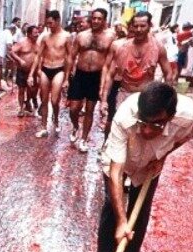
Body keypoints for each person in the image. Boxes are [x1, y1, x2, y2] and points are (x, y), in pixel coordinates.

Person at [90, 82, 193, 252]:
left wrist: (163, 156)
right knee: (112, 207)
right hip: (121, 158)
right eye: (143, 122)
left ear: (171, 117)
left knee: (142, 208)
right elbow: (116, 172)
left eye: (156, 124)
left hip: (150, 163)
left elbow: (185, 137)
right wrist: (122, 222)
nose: (147, 131)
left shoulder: (187, 117)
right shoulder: (124, 117)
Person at [100, 11, 173, 122]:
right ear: (132, 27)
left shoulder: (158, 47)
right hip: (124, 94)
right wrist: (104, 100)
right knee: (119, 126)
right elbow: (110, 75)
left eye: (143, 26)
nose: (139, 29)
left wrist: (166, 99)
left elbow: (168, 73)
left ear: (149, 26)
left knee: (143, 131)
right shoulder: (121, 47)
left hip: (147, 96)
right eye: (136, 26)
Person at [65, 8, 115, 152]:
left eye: (99, 18)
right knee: (74, 108)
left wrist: (105, 83)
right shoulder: (81, 36)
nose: (96, 21)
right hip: (80, 75)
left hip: (96, 76)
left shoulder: (110, 37)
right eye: (94, 18)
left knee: (89, 110)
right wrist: (67, 78)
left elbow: (111, 61)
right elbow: (71, 57)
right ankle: (75, 126)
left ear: (104, 20)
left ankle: (84, 139)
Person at [29, 10, 72, 138]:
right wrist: (31, 74)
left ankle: (56, 118)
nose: (49, 26)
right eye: (47, 23)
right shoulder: (45, 37)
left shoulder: (66, 36)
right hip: (45, 69)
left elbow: (69, 57)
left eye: (51, 23)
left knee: (54, 100)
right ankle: (43, 127)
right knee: (44, 99)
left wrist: (66, 78)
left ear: (58, 21)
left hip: (59, 69)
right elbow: (38, 56)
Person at [9, 24, 40, 116]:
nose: (37, 34)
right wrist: (19, 60)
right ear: (29, 34)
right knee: (21, 90)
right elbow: (11, 51)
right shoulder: (22, 42)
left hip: (33, 71)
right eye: (35, 33)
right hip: (22, 70)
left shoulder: (38, 44)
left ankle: (29, 101)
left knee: (32, 90)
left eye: (37, 32)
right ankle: (21, 109)